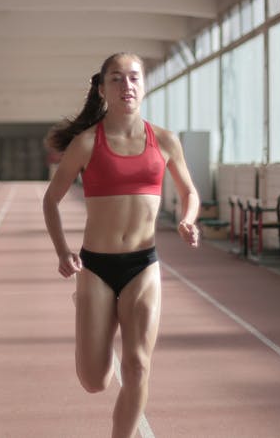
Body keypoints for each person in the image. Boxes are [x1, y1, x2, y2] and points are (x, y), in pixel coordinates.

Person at [42, 52, 201, 438]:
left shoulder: (164, 141)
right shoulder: (85, 143)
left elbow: (189, 192)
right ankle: (89, 313)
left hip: (143, 266)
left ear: (143, 87)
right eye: (116, 79)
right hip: (96, 267)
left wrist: (187, 219)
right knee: (94, 381)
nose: (126, 86)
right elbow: (50, 200)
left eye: (133, 78)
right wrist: (64, 250)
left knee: (138, 366)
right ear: (102, 88)